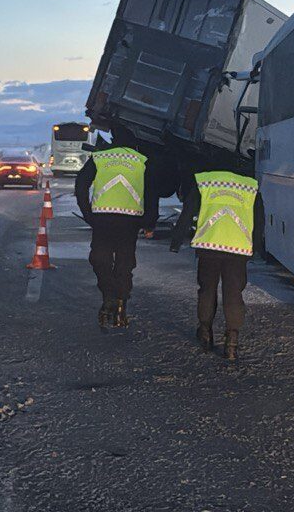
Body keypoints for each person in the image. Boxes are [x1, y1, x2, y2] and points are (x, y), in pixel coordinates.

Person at [169, 167, 264, 361]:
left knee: (207, 289)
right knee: (233, 293)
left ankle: (205, 332)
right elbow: (259, 221)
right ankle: (232, 342)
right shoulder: (250, 187)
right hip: (238, 249)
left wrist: (176, 241)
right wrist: (256, 248)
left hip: (209, 246)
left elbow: (188, 211)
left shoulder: (205, 182)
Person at [75, 127, 158, 329]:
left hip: (102, 219)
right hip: (130, 221)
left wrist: (87, 214)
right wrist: (149, 222)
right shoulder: (142, 160)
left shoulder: (100, 157)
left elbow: (81, 185)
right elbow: (151, 192)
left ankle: (110, 297)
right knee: (124, 264)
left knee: (99, 259)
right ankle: (120, 304)